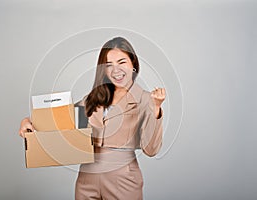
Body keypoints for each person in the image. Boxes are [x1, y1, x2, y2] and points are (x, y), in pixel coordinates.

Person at [19, 37, 166, 200]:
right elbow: (62, 120)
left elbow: (151, 149)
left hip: (123, 179)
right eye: (109, 65)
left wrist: (156, 108)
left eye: (121, 62)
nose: (115, 70)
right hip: (87, 176)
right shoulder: (94, 97)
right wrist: (28, 122)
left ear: (133, 64)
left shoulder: (146, 99)